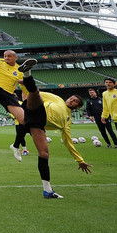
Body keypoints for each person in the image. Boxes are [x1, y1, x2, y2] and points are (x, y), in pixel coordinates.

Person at [16, 59, 92, 198]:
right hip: (35, 110)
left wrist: (80, 160)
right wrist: (24, 85)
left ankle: (47, 190)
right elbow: (37, 93)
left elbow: (68, 142)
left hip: (36, 125)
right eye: (71, 98)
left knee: (44, 154)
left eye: (75, 101)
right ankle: (27, 72)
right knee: (36, 94)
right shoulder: (57, 99)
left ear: (78, 107)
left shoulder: (67, 122)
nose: (71, 100)